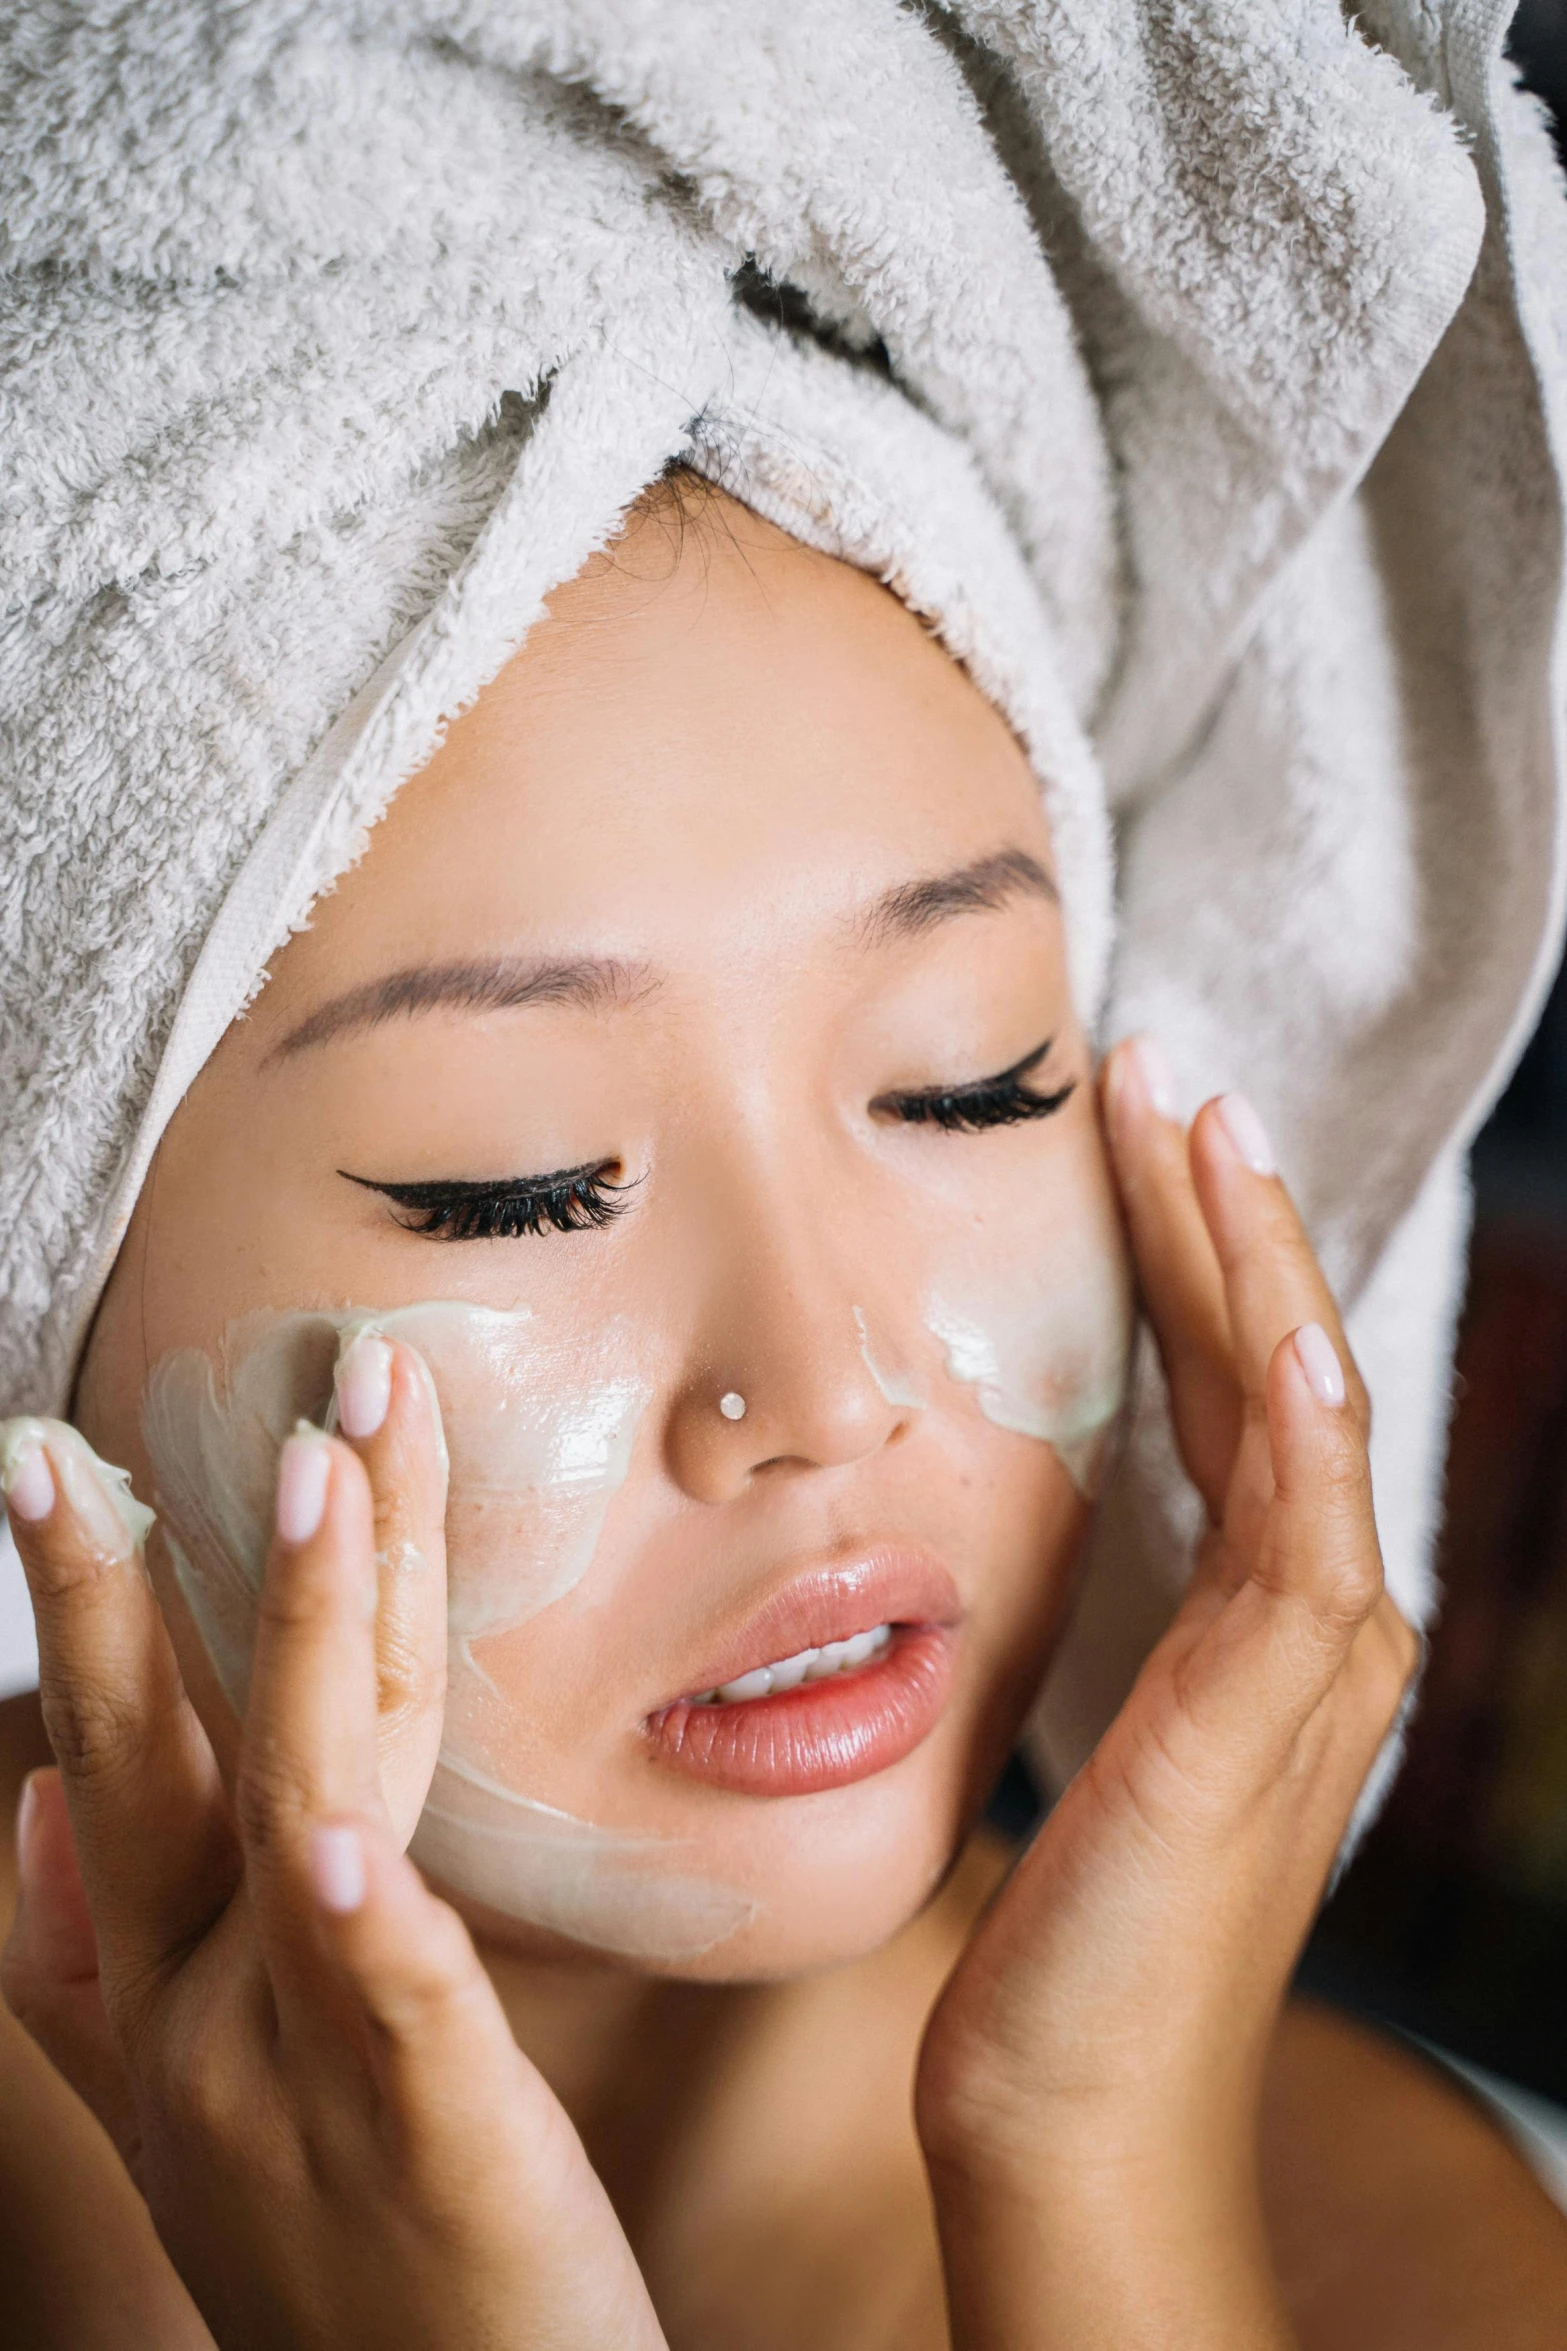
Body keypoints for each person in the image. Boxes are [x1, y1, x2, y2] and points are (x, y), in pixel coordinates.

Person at [4, 482, 1567, 2349]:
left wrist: (1081, 2174)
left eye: (963, 1086)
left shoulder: (1381, 2261)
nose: (827, 1396)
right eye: (519, 1183)